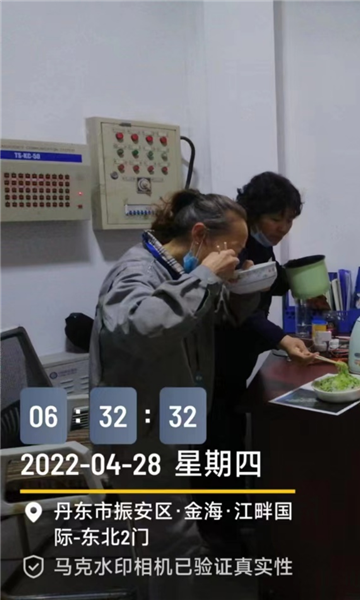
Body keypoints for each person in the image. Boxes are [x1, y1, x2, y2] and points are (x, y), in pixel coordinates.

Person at [89, 189, 260, 598]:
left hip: (165, 418)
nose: (233, 256)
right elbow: (139, 328)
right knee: (174, 541)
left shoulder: (177, 271)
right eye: (231, 249)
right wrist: (205, 277)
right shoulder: (137, 271)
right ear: (199, 234)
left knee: (167, 534)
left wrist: (243, 285)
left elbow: (209, 317)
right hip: (136, 429)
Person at [201, 172, 317, 549]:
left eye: (290, 220)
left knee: (232, 440)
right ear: (253, 213)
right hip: (217, 362)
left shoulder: (261, 245)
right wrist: (281, 338)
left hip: (238, 362)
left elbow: (270, 277)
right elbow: (242, 310)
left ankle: (232, 522)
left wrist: (303, 282)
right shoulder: (235, 246)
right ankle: (220, 537)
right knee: (218, 448)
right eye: (276, 218)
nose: (283, 228)